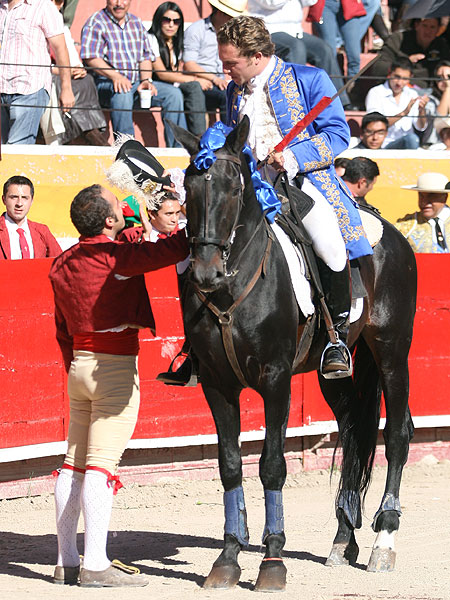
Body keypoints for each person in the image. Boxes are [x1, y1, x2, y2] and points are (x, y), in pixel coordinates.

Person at [216, 15, 373, 377]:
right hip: (251, 187)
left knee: (330, 244)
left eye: (231, 63)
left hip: (303, 184)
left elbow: (337, 134)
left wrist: (292, 156)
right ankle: (200, 345)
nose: (226, 71)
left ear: (256, 55)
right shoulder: (235, 90)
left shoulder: (309, 79)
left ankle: (337, 337)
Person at [49, 183, 189, 587]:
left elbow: (61, 330)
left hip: (79, 366)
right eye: (118, 207)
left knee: (73, 462)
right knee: (99, 465)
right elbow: (176, 248)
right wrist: (182, 210)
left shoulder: (61, 263)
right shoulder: (116, 257)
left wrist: (73, 365)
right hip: (113, 367)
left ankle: (66, 560)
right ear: (109, 220)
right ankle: (94, 564)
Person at [80, 0, 187, 146]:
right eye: (115, 0)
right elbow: (91, 57)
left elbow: (145, 57)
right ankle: (128, 148)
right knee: (123, 91)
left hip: (135, 83)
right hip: (105, 83)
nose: (119, 4)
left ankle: (178, 150)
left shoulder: (136, 22)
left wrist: (146, 80)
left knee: (173, 95)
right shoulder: (96, 22)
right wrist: (115, 76)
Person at [247, 0, 351, 107]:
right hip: (269, 30)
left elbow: (310, 2)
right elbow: (271, 3)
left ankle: (337, 101)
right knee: (296, 48)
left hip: (295, 30)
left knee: (324, 50)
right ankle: (297, 101)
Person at [0, 0, 75, 145]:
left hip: (30, 88)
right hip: (2, 88)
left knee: (18, 148)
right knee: (6, 152)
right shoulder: (1, 7)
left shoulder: (43, 6)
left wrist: (66, 88)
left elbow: (60, 48)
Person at [41, 0, 109, 146]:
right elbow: (39, 65)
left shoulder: (61, 26)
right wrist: (67, 71)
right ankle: (89, 135)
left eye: (59, 2)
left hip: (65, 73)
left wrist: (78, 68)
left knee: (86, 80)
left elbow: (71, 57)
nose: (55, 5)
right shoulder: (37, 24)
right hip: (48, 74)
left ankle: (90, 130)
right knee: (56, 85)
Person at [353, 17, 450, 107]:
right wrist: (405, 63)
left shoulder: (441, 45)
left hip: (432, 95)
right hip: (400, 91)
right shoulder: (398, 39)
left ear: (438, 30)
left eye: (432, 27)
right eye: (424, 25)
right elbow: (378, 68)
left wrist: (444, 67)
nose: (428, 31)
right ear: (416, 25)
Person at [148, 2, 208, 137]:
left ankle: (198, 136)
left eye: (176, 21)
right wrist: (195, 79)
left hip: (171, 86)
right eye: (166, 20)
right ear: (158, 20)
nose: (171, 25)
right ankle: (196, 137)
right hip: (154, 86)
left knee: (195, 89)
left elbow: (176, 72)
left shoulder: (176, 42)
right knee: (192, 87)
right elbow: (162, 74)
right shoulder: (151, 39)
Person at [183, 0, 247, 124]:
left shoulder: (231, 33)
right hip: (201, 82)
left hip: (220, 82)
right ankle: (229, 135)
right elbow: (189, 64)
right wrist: (214, 79)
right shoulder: (196, 29)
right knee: (227, 96)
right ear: (220, 13)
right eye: (231, 17)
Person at [365, 58, 428, 149]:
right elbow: (375, 125)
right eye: (397, 77)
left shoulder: (412, 94)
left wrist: (422, 111)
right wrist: (403, 113)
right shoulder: (376, 92)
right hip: (385, 145)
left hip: (409, 145)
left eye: (405, 79)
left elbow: (420, 127)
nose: (399, 83)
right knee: (412, 139)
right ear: (390, 73)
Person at [311, 0, 381, 78]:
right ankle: (329, 85)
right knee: (330, 53)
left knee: (354, 54)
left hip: (349, 4)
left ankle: (352, 86)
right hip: (326, 4)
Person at [0, 175, 61, 260]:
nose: (19, 203)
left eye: (25, 198)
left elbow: (60, 264)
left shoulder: (42, 231)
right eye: (14, 197)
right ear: (4, 200)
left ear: (31, 201)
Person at [396, 172, 450, 253]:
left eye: (431, 196)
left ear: (444, 197)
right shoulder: (405, 227)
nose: (424, 202)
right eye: (421, 196)